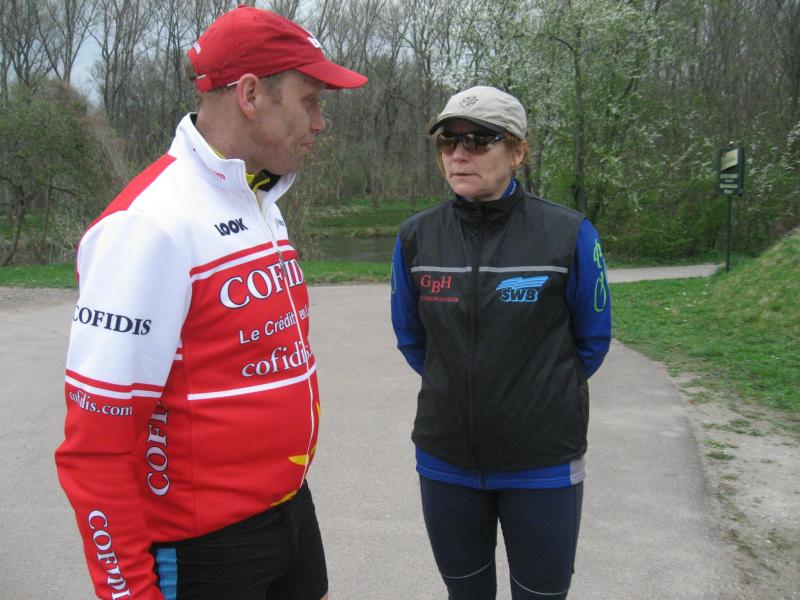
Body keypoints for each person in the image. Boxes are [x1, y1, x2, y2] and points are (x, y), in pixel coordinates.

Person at [54, 7, 366, 600]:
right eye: (309, 101)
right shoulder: (150, 224)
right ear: (250, 94)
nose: (320, 122)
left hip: (288, 511)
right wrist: (128, 591)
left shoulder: (259, 197)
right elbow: (96, 445)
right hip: (203, 546)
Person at [390, 86, 612, 600]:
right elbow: (413, 339)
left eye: (479, 140)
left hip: (541, 461)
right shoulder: (417, 236)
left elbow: (591, 341)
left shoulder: (569, 233)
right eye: (448, 141)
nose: (459, 153)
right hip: (446, 459)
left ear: (517, 151)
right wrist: (461, 386)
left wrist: (529, 394)